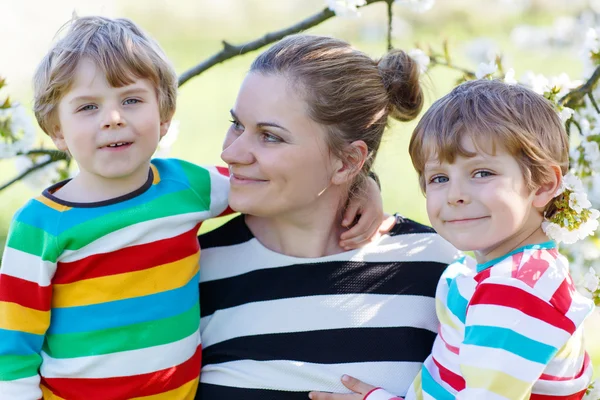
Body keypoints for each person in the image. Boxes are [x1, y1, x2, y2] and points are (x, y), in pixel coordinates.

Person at [0, 17, 385, 399]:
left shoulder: (186, 187)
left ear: (164, 116)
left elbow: (271, 183)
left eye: (132, 100)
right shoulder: (41, 225)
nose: (113, 119)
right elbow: (13, 346)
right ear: (56, 130)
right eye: (87, 107)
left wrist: (361, 184)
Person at [196, 34, 462, 400]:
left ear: (348, 161)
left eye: (270, 137)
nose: (231, 152)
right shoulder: (194, 270)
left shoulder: (441, 272)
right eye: (237, 124)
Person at [310, 80, 596, 400]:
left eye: (482, 173)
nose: (456, 195)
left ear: (543, 184)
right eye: (440, 178)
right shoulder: (496, 267)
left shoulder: (517, 288)